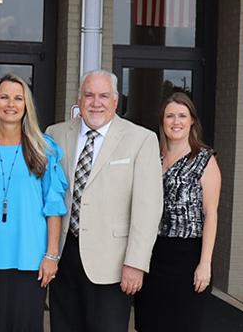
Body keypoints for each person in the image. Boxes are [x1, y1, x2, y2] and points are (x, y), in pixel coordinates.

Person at [46, 69, 163, 332]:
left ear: (115, 101)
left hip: (112, 263)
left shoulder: (141, 139)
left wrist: (135, 263)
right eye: (89, 95)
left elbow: (148, 208)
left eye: (103, 96)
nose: (95, 102)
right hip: (64, 257)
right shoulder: (55, 134)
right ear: (79, 99)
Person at [0, 74, 68, 332]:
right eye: (5, 97)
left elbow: (53, 205)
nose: (11, 103)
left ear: (26, 106)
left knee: (26, 324)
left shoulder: (44, 147)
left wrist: (51, 255)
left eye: (18, 98)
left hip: (30, 257)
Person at [133, 92, 221, 332]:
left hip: (187, 256)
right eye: (170, 116)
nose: (176, 121)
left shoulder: (204, 160)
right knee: (149, 323)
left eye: (182, 115)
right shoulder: (152, 156)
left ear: (192, 120)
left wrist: (205, 263)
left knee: (182, 324)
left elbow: (211, 214)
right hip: (152, 254)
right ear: (162, 121)